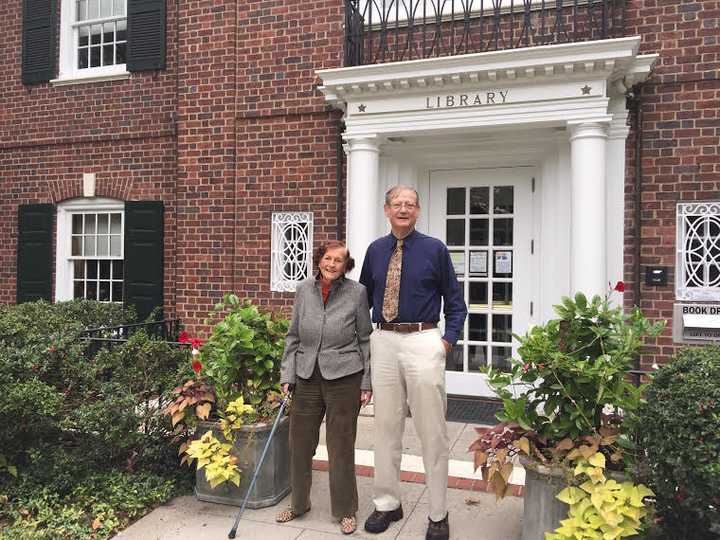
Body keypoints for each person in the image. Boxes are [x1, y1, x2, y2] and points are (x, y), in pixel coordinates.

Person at [359, 185, 467, 540]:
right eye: (397, 204)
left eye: (410, 204)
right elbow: (363, 301)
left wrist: (445, 342)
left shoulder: (434, 249)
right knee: (386, 430)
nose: (403, 209)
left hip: (424, 340)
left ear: (418, 211)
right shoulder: (375, 251)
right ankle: (388, 503)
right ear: (386, 210)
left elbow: (455, 302)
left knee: (432, 433)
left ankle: (438, 513)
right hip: (385, 340)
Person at [277, 240, 373, 535]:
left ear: (347, 265)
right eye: (328, 258)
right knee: (300, 443)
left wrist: (366, 382)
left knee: (340, 445)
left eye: (339, 260)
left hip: (344, 378)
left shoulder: (357, 293)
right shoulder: (304, 290)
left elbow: (365, 340)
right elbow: (293, 336)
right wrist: (287, 374)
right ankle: (299, 503)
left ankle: (345, 510)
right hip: (306, 375)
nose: (332, 264)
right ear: (319, 260)